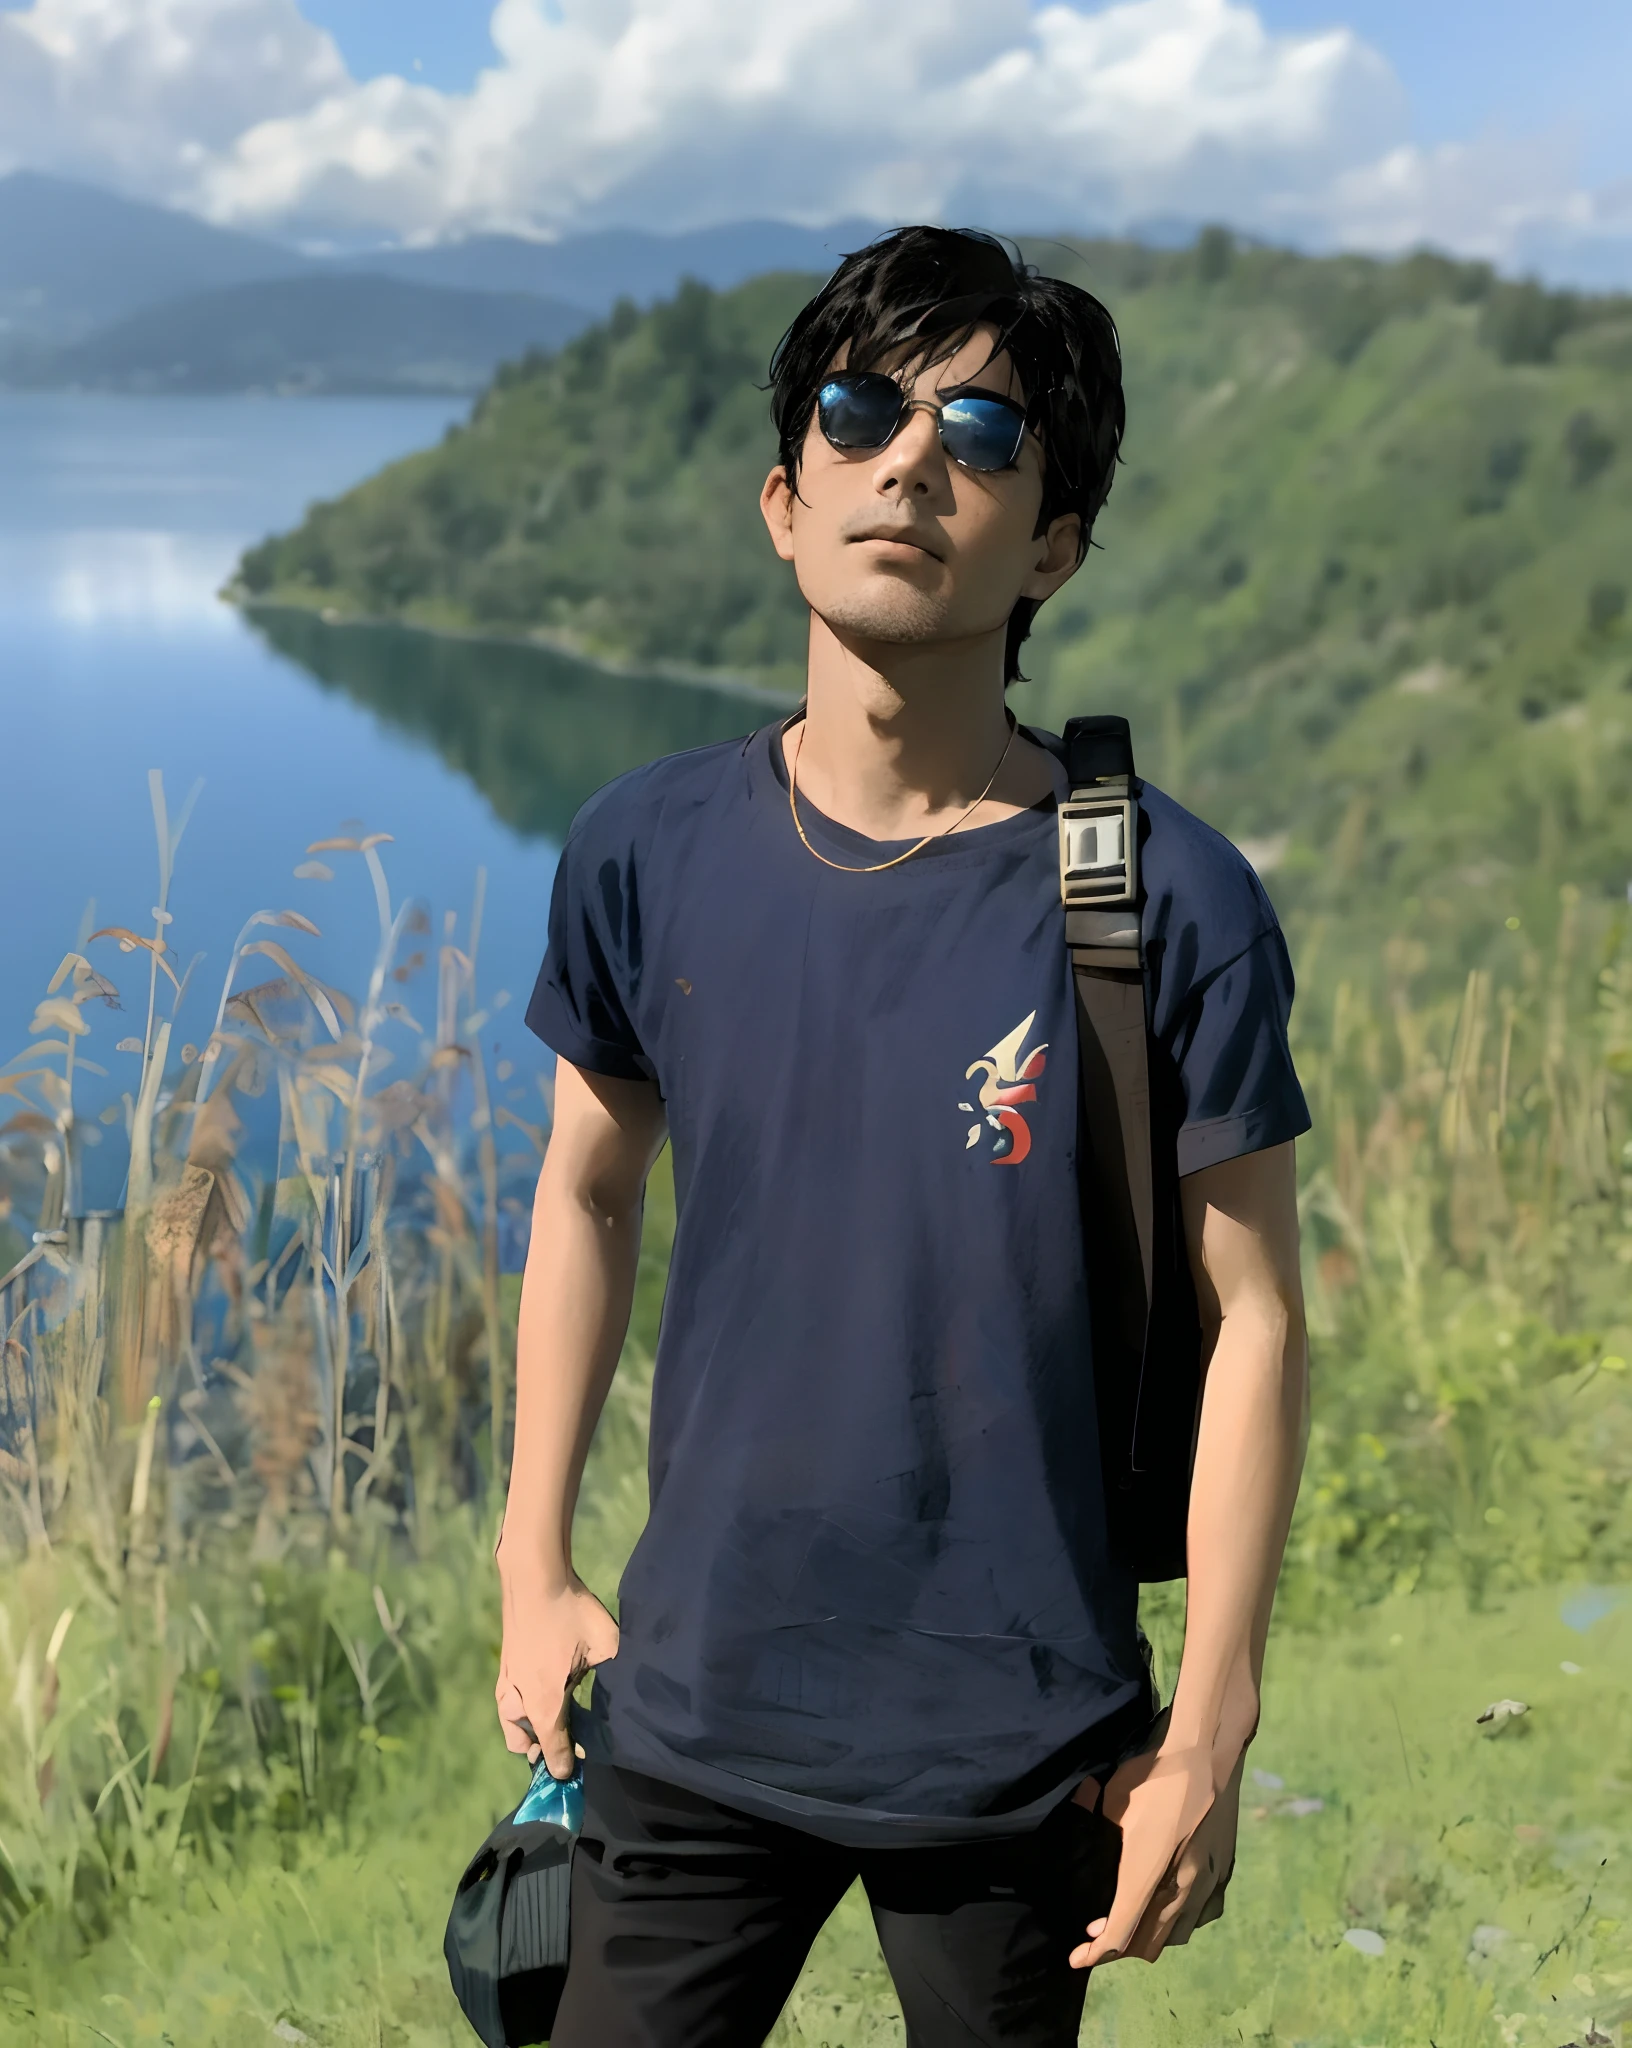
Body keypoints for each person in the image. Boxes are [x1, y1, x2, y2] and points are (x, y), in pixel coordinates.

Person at [497, 225, 1311, 2047]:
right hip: (693, 1707)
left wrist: (1212, 1732)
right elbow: (585, 1189)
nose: (915, 461)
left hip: (1023, 1740)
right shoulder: (647, 849)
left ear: (1058, 544)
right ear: (784, 499)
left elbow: (1256, 1315)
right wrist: (532, 1567)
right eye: (862, 412)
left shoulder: (1163, 897)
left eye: (986, 434)